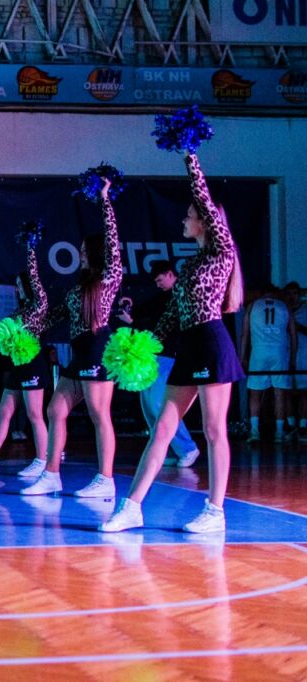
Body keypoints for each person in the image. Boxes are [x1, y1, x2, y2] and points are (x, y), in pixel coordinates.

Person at [101, 150, 244, 534]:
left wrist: (189, 155)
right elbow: (170, 319)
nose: (184, 219)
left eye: (189, 215)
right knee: (162, 429)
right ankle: (132, 507)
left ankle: (215, 511)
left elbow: (202, 196)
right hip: (189, 348)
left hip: (212, 344)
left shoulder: (221, 252)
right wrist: (140, 344)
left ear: (204, 222)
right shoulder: (191, 265)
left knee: (214, 430)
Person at [22, 178, 122, 498]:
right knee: (55, 410)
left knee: (98, 414)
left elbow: (112, 240)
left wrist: (104, 199)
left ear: (95, 253)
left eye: (83, 250)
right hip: (80, 354)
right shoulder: (78, 288)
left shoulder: (108, 278)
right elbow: (53, 316)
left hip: (98, 349)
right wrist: (25, 329)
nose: (79, 253)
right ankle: (52, 474)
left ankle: (106, 479)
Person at [0, 236, 50, 479]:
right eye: (16, 285)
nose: (17, 288)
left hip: (33, 365)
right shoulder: (18, 312)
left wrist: (30, 248)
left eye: (20, 284)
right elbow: (2, 340)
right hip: (17, 367)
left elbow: (34, 277)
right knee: (4, 412)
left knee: (34, 414)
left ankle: (43, 460)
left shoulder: (38, 306)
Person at [130, 261, 200, 467]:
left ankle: (188, 448)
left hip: (171, 356)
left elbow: (171, 325)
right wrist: (130, 311)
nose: (158, 284)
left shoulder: (182, 296)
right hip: (153, 356)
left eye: (160, 279)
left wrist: (135, 321)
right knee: (148, 405)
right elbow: (145, 311)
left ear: (171, 274)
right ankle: (164, 448)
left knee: (159, 403)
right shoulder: (162, 298)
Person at [240, 284, 296, 442]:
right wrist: (293, 357)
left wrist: (242, 357)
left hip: (259, 351)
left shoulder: (252, 306)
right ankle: (279, 433)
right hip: (279, 352)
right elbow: (293, 334)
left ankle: (254, 431)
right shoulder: (284, 306)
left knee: (255, 394)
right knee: (279, 393)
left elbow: (244, 334)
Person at [289, 282, 307, 437]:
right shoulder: (282, 310)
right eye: (289, 294)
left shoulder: (305, 310)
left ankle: (303, 424)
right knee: (286, 391)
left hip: (302, 354)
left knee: (303, 391)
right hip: (285, 354)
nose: (292, 297)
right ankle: (289, 424)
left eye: (295, 293)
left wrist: (297, 327)